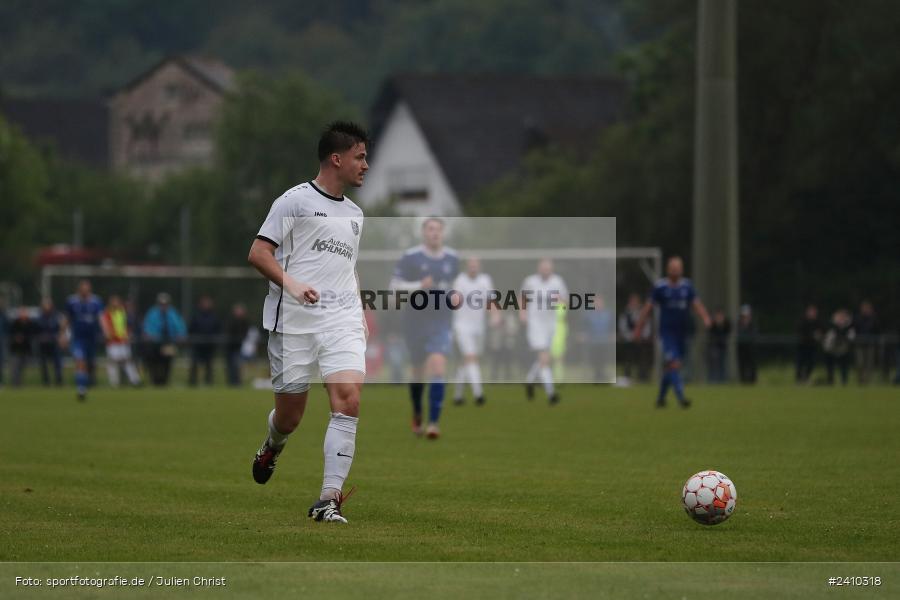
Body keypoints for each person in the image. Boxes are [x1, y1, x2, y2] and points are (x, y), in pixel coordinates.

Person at [247, 121, 369, 524]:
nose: (365, 165)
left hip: (341, 320)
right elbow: (258, 253)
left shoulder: (355, 214)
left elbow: (348, 269)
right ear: (336, 159)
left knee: (348, 399)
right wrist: (293, 283)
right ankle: (273, 444)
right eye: (359, 157)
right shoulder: (294, 202)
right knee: (290, 418)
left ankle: (328, 499)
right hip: (293, 323)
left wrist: (359, 311)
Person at [391, 218, 460, 438]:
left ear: (443, 233)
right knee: (418, 372)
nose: (434, 233)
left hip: (441, 321)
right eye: (430, 229)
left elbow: (454, 287)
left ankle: (433, 423)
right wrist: (418, 286)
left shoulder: (453, 258)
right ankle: (417, 411)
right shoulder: (411, 257)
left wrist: (456, 297)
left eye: (438, 229)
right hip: (415, 321)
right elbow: (394, 288)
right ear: (423, 233)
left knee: (438, 368)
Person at [634, 256, 711, 408]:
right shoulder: (660, 287)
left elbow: (696, 304)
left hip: (682, 333)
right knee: (674, 364)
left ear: (681, 270)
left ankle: (661, 399)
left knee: (671, 367)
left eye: (677, 268)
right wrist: (638, 328)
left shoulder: (687, 286)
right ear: (668, 270)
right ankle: (681, 398)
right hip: (667, 334)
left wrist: (706, 318)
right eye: (673, 268)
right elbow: (647, 309)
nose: (675, 271)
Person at [520, 258, 568, 405]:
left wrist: (560, 300)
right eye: (543, 268)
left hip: (550, 324)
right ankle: (551, 393)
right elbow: (522, 298)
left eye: (548, 269)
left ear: (551, 269)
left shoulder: (558, 281)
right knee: (544, 358)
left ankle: (529, 380)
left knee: (545, 358)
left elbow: (565, 301)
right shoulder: (530, 281)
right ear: (539, 269)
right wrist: (522, 313)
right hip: (535, 324)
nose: (546, 271)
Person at [451, 257, 497, 406]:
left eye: (475, 266)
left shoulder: (485, 280)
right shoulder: (460, 281)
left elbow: (491, 302)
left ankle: (458, 395)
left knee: (468, 360)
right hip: (462, 326)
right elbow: (454, 301)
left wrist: (495, 316)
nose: (473, 268)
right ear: (467, 267)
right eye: (471, 266)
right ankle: (479, 394)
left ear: (479, 267)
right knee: (471, 358)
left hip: (479, 327)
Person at [66, 280, 104, 401]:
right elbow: (67, 318)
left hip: (92, 339)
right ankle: (81, 389)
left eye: (87, 290)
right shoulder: (72, 301)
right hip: (78, 338)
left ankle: (85, 384)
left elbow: (101, 318)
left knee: (88, 364)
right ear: (79, 290)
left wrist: (105, 331)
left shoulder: (96, 302)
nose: (85, 292)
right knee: (80, 362)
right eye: (83, 290)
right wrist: (63, 335)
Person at [142, 293, 187, 386]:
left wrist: (181, 335)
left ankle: (164, 381)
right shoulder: (152, 313)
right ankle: (155, 380)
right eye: (161, 304)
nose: (163, 306)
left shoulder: (173, 313)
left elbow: (180, 326)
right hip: (155, 343)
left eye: (165, 304)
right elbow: (147, 327)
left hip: (168, 342)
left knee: (167, 362)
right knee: (153, 361)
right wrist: (148, 335)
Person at [101, 295, 141, 387]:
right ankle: (114, 382)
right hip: (112, 341)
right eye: (114, 302)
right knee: (113, 362)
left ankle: (135, 380)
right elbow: (105, 326)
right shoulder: (107, 313)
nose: (115, 304)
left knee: (127, 361)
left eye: (117, 302)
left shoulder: (122, 312)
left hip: (123, 340)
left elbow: (126, 325)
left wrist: (128, 334)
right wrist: (107, 334)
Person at [617, 293, 651, 385]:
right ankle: (627, 376)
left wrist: (642, 336)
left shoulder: (643, 313)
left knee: (643, 357)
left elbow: (647, 327)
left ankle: (643, 376)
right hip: (629, 340)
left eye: (635, 302)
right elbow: (623, 328)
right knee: (628, 356)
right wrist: (631, 336)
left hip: (641, 340)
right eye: (632, 302)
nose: (634, 303)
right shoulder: (625, 314)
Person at [188, 296, 221, 386]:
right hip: (197, 345)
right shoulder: (196, 316)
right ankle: (192, 382)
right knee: (194, 363)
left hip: (209, 345)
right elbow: (191, 329)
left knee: (209, 365)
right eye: (204, 304)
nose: (206, 305)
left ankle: (209, 382)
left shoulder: (214, 317)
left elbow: (218, 329)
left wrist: (214, 340)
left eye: (208, 304)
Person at [583, 294, 614, 382]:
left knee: (603, 358)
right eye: (596, 302)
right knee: (595, 359)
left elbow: (611, 327)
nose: (598, 304)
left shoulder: (608, 314)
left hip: (604, 341)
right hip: (593, 342)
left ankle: (601, 373)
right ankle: (597, 374)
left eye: (599, 302)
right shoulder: (589, 315)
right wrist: (584, 335)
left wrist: (612, 335)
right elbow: (585, 327)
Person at [36, 299, 65, 386]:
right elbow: (36, 331)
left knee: (57, 363)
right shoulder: (39, 317)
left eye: (48, 305)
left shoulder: (57, 316)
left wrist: (60, 338)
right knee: (43, 364)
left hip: (54, 343)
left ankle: (59, 381)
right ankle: (46, 381)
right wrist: (40, 337)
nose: (46, 307)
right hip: (43, 344)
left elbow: (61, 329)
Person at [823, 308, 855, 385]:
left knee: (844, 366)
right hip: (831, 349)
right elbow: (827, 338)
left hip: (844, 349)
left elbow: (851, 338)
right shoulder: (831, 326)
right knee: (830, 366)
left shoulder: (849, 327)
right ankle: (830, 380)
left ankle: (844, 381)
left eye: (843, 317)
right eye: (839, 317)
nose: (841, 318)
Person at [854, 300, 880, 385]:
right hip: (860, 343)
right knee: (860, 362)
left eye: (867, 308)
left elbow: (877, 329)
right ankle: (861, 380)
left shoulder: (874, 318)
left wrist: (872, 317)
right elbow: (854, 328)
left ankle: (868, 380)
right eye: (864, 308)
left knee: (869, 363)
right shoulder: (857, 318)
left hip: (870, 343)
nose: (865, 309)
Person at [796, 304, 823, 384]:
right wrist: (812, 335)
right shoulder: (802, 321)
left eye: (814, 312)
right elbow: (800, 332)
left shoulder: (818, 322)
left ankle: (806, 378)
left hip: (813, 346)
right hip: (802, 345)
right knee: (800, 362)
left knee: (811, 363)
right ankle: (799, 379)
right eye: (811, 312)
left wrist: (819, 335)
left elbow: (822, 331)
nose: (813, 314)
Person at [9, 307, 37, 386]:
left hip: (26, 349)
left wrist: (24, 338)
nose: (23, 314)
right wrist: (16, 338)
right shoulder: (15, 323)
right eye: (22, 313)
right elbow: (11, 333)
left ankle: (20, 383)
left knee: (23, 367)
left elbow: (32, 334)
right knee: (15, 367)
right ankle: (15, 383)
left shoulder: (30, 323)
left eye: (24, 313)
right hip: (15, 349)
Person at [224, 303, 250, 387]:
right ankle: (231, 381)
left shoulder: (244, 322)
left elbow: (245, 333)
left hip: (238, 347)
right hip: (230, 347)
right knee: (231, 365)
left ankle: (237, 381)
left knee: (237, 365)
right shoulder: (230, 321)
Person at [706, 308, 730, 383]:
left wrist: (722, 324)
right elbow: (710, 332)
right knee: (713, 363)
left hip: (722, 346)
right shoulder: (713, 324)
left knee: (722, 363)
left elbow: (728, 330)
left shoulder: (726, 323)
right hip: (714, 346)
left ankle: (722, 379)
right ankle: (712, 379)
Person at [736, 304, 758, 384]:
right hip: (742, 349)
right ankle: (743, 381)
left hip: (751, 349)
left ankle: (753, 381)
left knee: (752, 365)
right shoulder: (739, 325)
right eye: (743, 316)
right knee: (742, 365)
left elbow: (754, 336)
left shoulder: (753, 325)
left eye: (746, 316)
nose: (745, 318)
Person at [0, 299, 8, 386]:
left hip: (1, 341)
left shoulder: (3, 315)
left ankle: (0, 381)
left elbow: (7, 328)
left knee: (1, 362)